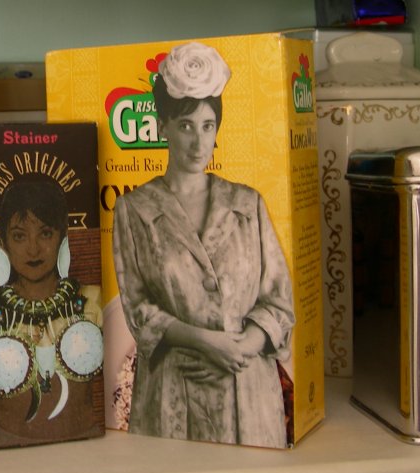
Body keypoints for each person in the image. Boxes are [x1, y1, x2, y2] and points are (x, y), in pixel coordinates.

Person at [112, 41, 295, 448]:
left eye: (208, 125)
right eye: (186, 126)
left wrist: (240, 350)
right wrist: (207, 343)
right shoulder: (135, 210)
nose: (198, 142)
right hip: (172, 396)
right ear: (163, 127)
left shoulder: (248, 205)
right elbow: (139, 309)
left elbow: (280, 302)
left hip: (246, 394)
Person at [0, 179, 104, 449]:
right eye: (19, 236)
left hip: (86, 448)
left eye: (45, 233)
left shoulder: (93, 300)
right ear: (3, 242)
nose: (33, 249)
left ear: (63, 237)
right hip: (5, 454)